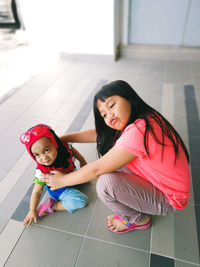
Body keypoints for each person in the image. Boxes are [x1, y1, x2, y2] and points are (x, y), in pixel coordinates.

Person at [41, 80, 191, 234]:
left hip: (170, 199)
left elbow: (96, 169)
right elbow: (100, 134)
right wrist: (63, 139)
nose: (109, 114)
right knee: (112, 152)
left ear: (129, 98)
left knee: (106, 185)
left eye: (112, 105)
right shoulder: (143, 118)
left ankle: (138, 220)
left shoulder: (139, 130)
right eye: (104, 114)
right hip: (164, 183)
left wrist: (62, 181)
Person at [20, 124, 88, 227]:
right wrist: (32, 210)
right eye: (37, 155)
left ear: (55, 143)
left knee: (87, 174)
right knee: (81, 201)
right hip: (60, 189)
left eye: (47, 150)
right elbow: (37, 191)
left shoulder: (64, 147)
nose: (44, 158)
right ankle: (53, 206)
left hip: (71, 175)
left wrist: (82, 161)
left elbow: (73, 151)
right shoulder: (42, 171)